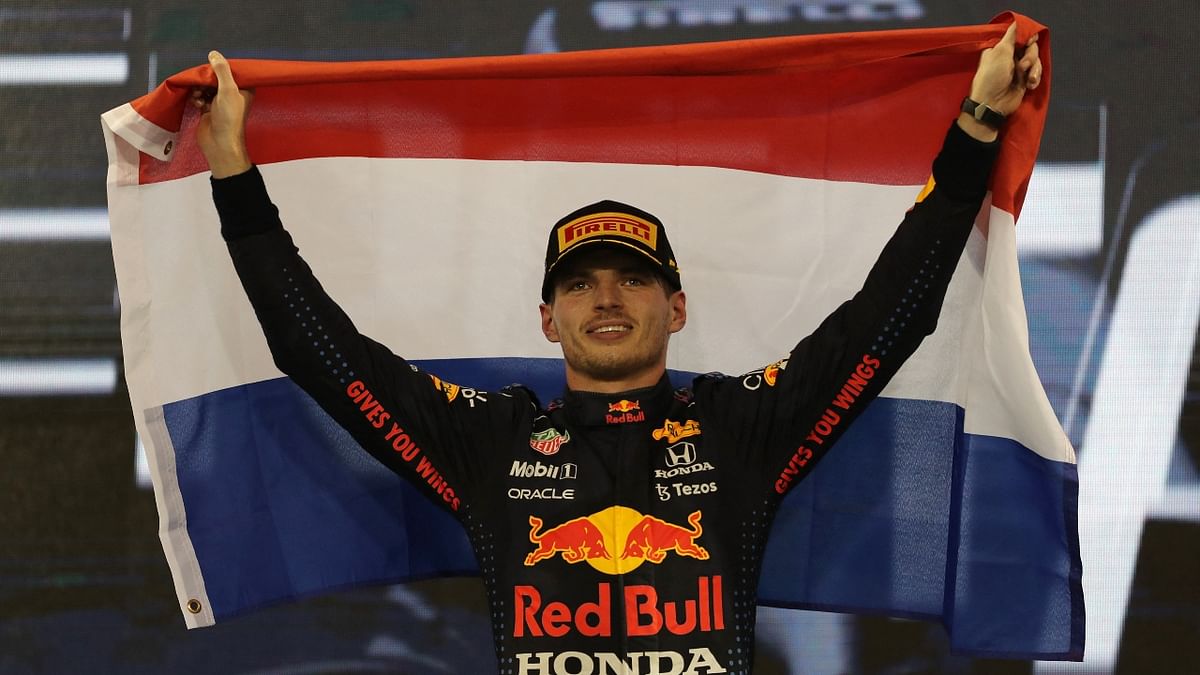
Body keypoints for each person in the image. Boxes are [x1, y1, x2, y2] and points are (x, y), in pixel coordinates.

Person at [193, 23, 1041, 675]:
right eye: (579, 283)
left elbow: (888, 319)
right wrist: (232, 172)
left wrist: (975, 127)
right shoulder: (492, 443)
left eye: (631, 279)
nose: (604, 296)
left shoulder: (739, 429)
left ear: (676, 309)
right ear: (546, 318)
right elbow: (319, 352)